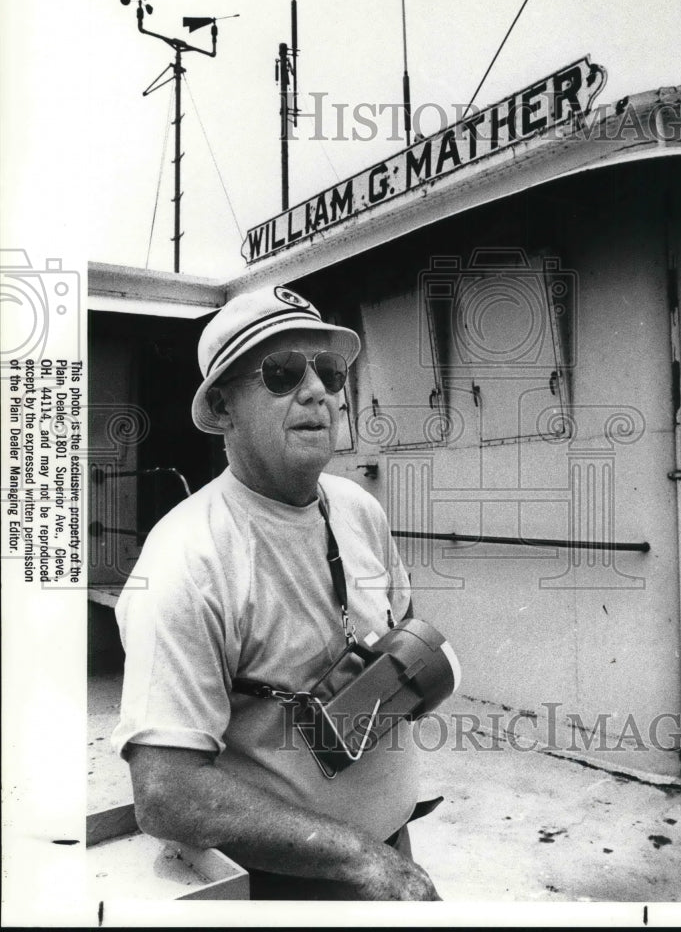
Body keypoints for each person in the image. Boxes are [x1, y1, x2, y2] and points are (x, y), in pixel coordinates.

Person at [111, 284, 442, 900]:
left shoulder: (357, 509)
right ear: (224, 407)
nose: (316, 389)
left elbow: (401, 628)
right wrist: (361, 859)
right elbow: (166, 791)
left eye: (330, 371)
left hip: (391, 854)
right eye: (283, 371)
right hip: (284, 884)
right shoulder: (190, 559)